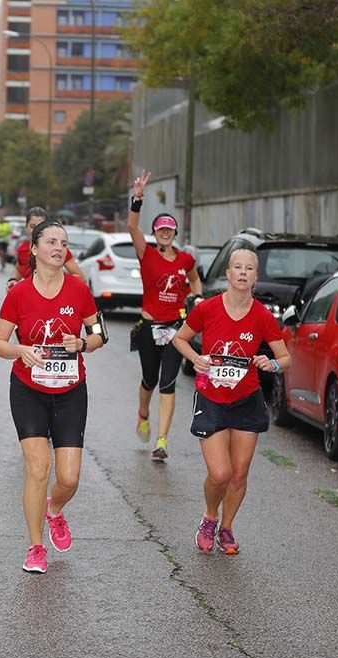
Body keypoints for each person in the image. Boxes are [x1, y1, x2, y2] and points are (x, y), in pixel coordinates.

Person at [0, 220, 107, 574]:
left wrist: (84, 343)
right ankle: (36, 547)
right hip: (29, 391)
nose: (59, 247)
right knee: (38, 469)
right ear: (35, 249)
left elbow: (99, 332)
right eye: (52, 241)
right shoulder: (19, 294)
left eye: (64, 243)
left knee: (69, 478)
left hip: (71, 391)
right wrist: (19, 350)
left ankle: (54, 510)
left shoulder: (79, 290)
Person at [172, 248, 291, 556]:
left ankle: (227, 527)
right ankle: (209, 517)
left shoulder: (262, 315)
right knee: (220, 473)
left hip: (246, 399)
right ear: (227, 273)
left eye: (248, 268)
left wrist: (272, 364)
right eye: (236, 267)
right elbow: (179, 338)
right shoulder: (208, 308)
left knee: (239, 473)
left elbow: (285, 358)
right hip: (212, 398)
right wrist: (196, 358)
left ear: (255, 276)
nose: (242, 272)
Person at [127, 170, 203, 461]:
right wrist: (138, 198)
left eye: (170, 229)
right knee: (150, 380)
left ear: (175, 233)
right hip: (149, 326)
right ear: (155, 233)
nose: (166, 233)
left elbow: (195, 279)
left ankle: (162, 441)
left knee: (169, 382)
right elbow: (133, 228)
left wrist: (196, 295)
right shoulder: (146, 254)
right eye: (161, 229)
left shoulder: (185, 259)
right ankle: (143, 413)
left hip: (175, 328)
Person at [6, 207, 85, 291]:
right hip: (29, 299)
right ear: (26, 227)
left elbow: (79, 276)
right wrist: (13, 280)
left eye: (41, 226)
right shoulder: (23, 248)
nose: (36, 230)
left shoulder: (58, 250)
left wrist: (60, 290)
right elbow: (18, 269)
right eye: (32, 226)